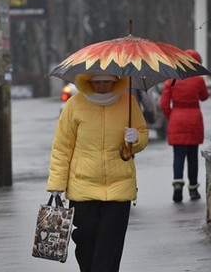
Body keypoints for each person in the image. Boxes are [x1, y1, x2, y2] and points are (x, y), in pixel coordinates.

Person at [47, 73, 149, 272]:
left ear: (115, 82)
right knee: (85, 243)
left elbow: (142, 135)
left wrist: (136, 138)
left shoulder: (129, 103)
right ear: (89, 82)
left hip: (119, 187)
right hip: (83, 187)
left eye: (107, 82)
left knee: (110, 246)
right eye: (98, 82)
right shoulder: (74, 104)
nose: (102, 86)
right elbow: (62, 147)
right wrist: (56, 186)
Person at [159, 49, 209, 203]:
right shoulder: (198, 80)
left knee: (178, 155)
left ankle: (178, 183)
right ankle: (193, 189)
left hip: (177, 120)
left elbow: (163, 104)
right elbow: (205, 97)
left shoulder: (171, 80)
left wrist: (172, 116)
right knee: (193, 157)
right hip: (194, 120)